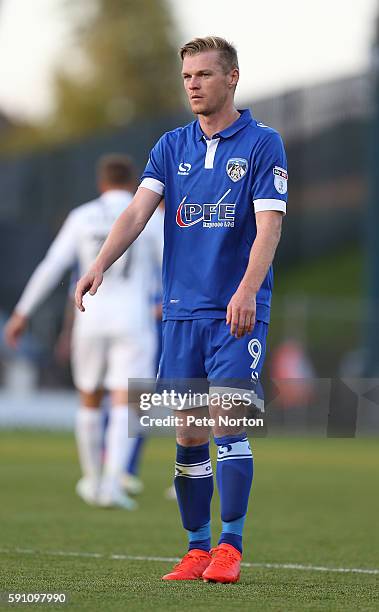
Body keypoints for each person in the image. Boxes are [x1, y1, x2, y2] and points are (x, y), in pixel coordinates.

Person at [75, 37, 287, 583]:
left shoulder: (264, 144)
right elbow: (136, 212)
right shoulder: (171, 146)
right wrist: (99, 262)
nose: (193, 84)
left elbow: (270, 226)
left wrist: (246, 290)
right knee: (187, 433)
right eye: (187, 75)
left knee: (228, 425)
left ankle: (230, 547)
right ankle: (196, 549)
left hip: (237, 313)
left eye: (204, 74)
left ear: (232, 78)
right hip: (181, 315)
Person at [4, 154, 163, 509]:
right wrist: (169, 301)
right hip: (133, 320)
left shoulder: (82, 216)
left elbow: (52, 266)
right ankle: (112, 485)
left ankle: (91, 482)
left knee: (89, 399)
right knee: (126, 400)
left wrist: (21, 313)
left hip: (88, 316)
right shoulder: (151, 216)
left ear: (101, 182)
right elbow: (173, 265)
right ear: (133, 180)